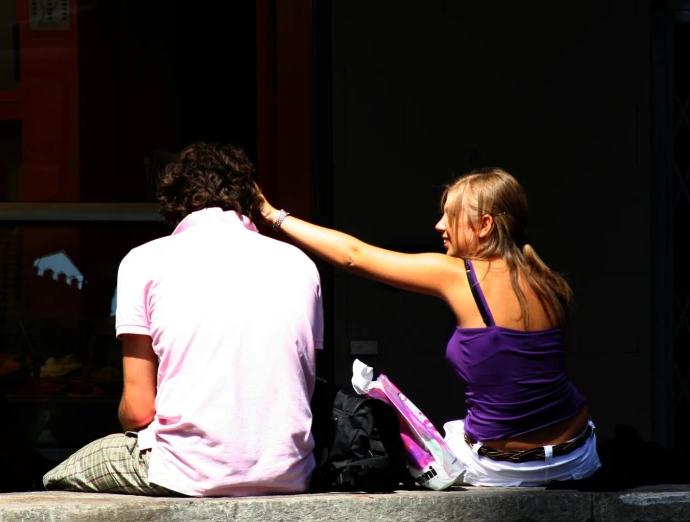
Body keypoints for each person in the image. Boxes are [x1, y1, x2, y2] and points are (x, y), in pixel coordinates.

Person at [257, 168, 600, 487]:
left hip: (502, 466)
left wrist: (274, 215)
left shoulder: (458, 275)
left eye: (450, 216)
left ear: (483, 226)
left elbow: (354, 255)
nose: (439, 225)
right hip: (577, 452)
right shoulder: (547, 281)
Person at [43, 142, 324, 496]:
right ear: (251, 198)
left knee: (57, 476)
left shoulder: (143, 261)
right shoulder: (300, 264)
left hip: (185, 471)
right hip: (290, 471)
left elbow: (138, 410)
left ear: (174, 204)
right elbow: (301, 383)